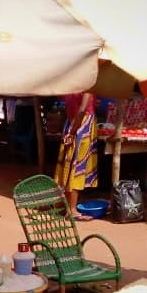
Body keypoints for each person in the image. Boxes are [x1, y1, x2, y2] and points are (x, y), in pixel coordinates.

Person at [54, 92, 98, 220]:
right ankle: (72, 210)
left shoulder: (72, 87)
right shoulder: (87, 88)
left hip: (71, 123)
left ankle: (67, 207)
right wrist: (73, 132)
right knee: (77, 168)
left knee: (68, 166)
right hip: (81, 126)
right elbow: (82, 110)